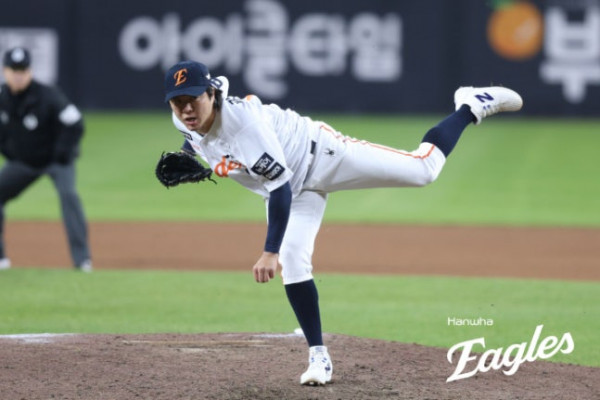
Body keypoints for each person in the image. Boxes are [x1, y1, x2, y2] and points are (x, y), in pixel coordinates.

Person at [161, 60, 522, 385]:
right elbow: (195, 135)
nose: (187, 109)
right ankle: (318, 357)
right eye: (178, 102)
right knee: (294, 261)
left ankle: (471, 105)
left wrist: (270, 251)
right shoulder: (185, 117)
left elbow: (279, 188)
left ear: (212, 94)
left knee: (423, 170)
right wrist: (187, 153)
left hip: (323, 156)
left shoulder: (245, 129)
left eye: (194, 99)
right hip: (294, 188)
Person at [0, 47, 92, 272]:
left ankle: (82, 261)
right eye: (14, 70)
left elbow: (75, 123)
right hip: (24, 162)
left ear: (30, 71)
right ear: (5, 71)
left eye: (23, 70)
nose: (18, 75)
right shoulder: (2, 98)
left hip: (56, 162)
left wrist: (62, 152)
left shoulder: (48, 95)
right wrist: (9, 152)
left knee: (69, 196)